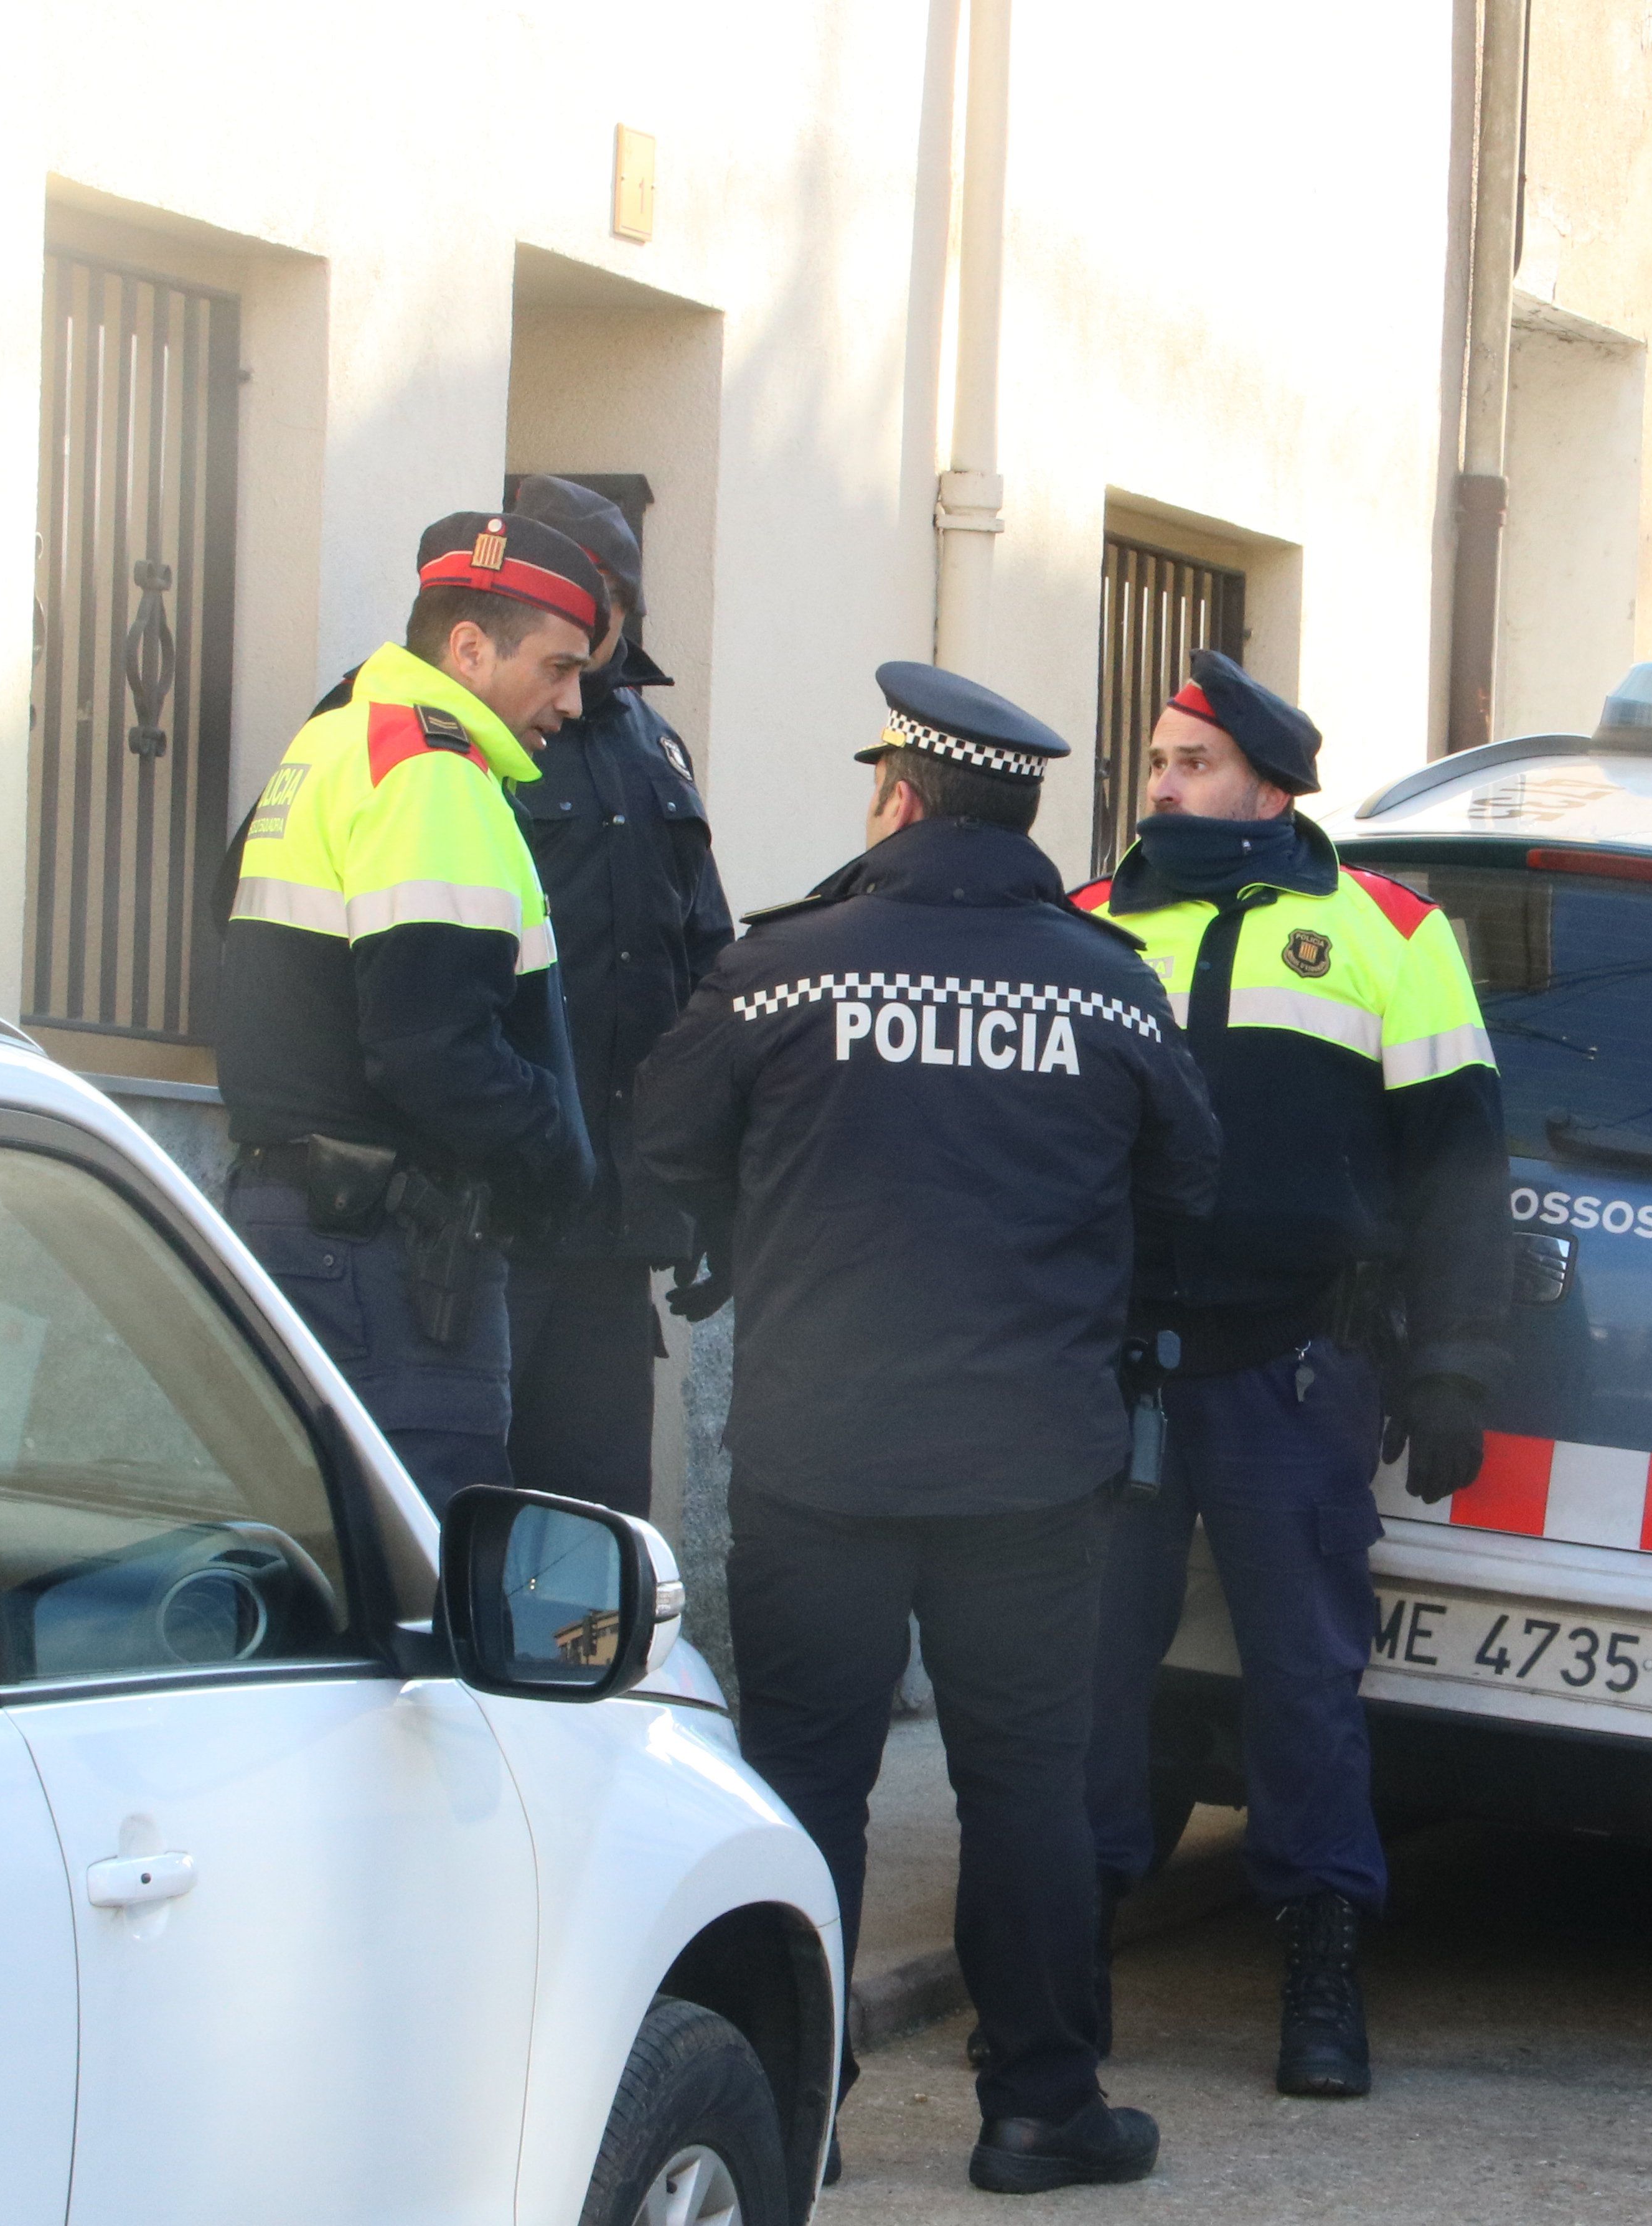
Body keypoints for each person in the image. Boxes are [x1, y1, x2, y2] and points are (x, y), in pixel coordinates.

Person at [636, 663, 1219, 2196]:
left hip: (819, 1451)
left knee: (807, 1777)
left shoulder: (780, 970)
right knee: (1025, 1782)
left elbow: (663, 1143)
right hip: (1031, 1464)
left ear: (898, 797)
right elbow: (1192, 1181)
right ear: (1017, 814)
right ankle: (1039, 2109)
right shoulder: (1108, 983)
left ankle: (795, 2108)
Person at [1073, 649, 1510, 2100]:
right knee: (1086, 1674)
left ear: (1268, 784)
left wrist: (1452, 1364)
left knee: (1305, 1687)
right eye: (1153, 764)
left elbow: (1458, 1172)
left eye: (1190, 766)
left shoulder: (1389, 931)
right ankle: (1060, 1959)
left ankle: (1320, 1971)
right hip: (1112, 1371)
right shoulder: (1083, 923)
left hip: (1293, 1368)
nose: (1162, 788)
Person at [217, 510, 600, 1506]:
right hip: (389, 1255)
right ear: (469, 649)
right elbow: (435, 1049)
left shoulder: (341, 740)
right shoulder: (432, 774)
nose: (572, 701)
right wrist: (558, 1152)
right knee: (423, 1571)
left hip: (304, 1228)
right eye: (558, 668)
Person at [489, 474, 735, 1518]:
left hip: (610, 1224)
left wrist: (714, 1186)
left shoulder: (650, 748)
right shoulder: (435, 728)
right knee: (458, 1521)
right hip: (478, 1218)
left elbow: (705, 980)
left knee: (591, 1533)